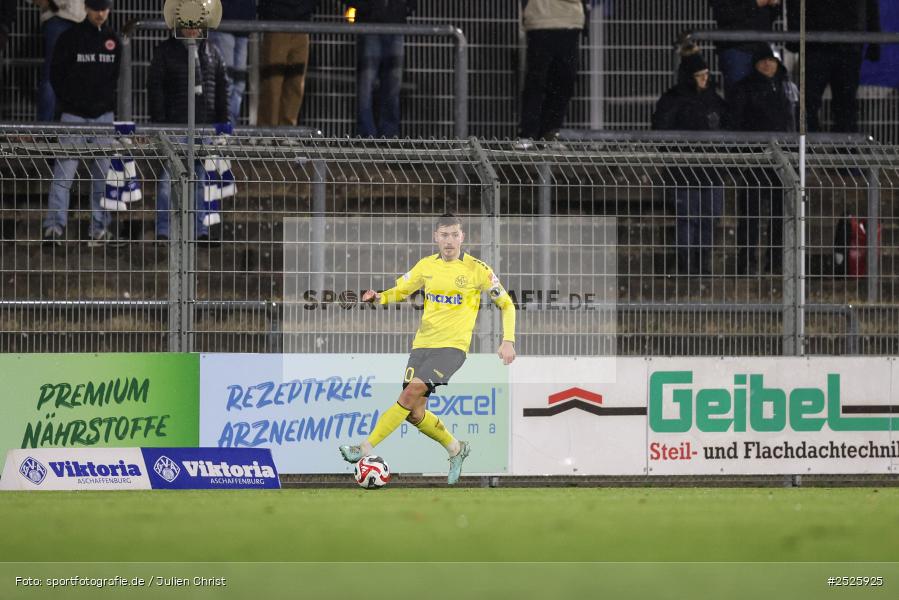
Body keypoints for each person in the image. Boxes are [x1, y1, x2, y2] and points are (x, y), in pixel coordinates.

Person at [339, 213, 517, 485]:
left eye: (454, 234)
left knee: (409, 392)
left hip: (452, 349)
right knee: (413, 412)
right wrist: (378, 298)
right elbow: (401, 290)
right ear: (436, 237)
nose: (449, 241)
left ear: (462, 237)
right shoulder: (425, 266)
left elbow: (507, 304)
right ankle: (456, 448)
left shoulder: (478, 269)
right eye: (444, 235)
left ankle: (363, 449)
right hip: (422, 345)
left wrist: (508, 340)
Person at [41, 0, 121, 247]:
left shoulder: (113, 41)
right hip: (75, 115)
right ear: (87, 8)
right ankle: (53, 229)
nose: (101, 14)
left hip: (102, 117)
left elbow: (114, 78)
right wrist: (72, 103)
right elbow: (56, 75)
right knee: (64, 173)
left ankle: (99, 229)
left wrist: (103, 105)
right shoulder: (70, 37)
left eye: (104, 9)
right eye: (97, 8)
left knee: (101, 175)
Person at [148, 26, 232, 241]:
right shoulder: (165, 51)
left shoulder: (212, 52)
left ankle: (199, 230)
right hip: (175, 126)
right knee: (168, 179)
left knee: (201, 180)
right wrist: (159, 123)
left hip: (204, 127)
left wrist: (223, 124)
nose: (193, 30)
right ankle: (164, 230)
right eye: (188, 25)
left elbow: (222, 89)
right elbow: (155, 87)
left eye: (197, 25)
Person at [652, 44, 727, 275]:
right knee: (687, 217)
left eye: (706, 75)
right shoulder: (673, 99)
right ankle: (686, 264)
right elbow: (661, 129)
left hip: (711, 170)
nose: (705, 79)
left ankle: (701, 263)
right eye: (699, 76)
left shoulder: (714, 99)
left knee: (709, 217)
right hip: (683, 170)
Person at [727, 43, 797, 275]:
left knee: (780, 216)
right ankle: (746, 264)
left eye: (772, 60)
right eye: (763, 61)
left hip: (782, 161)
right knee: (751, 216)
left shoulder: (788, 88)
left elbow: (796, 122)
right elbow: (736, 123)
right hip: (755, 161)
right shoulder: (744, 89)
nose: (768, 65)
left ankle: (775, 263)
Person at [786, 0, 880, 133]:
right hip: (839, 43)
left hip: (823, 42)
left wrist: (794, 36)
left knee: (813, 103)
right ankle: (841, 148)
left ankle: (810, 147)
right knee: (841, 105)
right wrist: (874, 40)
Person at [515, 0, 588, 149]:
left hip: (566, 20)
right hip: (543, 19)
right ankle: (530, 134)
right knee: (539, 81)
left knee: (561, 83)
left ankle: (547, 133)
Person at [348, 0, 417, 138]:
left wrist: (405, 8)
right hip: (372, 25)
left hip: (394, 25)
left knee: (392, 85)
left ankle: (387, 134)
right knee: (367, 85)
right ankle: (368, 134)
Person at [257, 0, 320, 126]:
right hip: (277, 23)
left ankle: (287, 129)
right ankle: (267, 130)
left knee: (296, 83)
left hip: (301, 25)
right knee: (272, 83)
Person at [707, 0, 782, 99]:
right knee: (739, 98)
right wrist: (756, 4)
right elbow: (723, 13)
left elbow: (771, 16)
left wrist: (774, 5)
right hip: (737, 47)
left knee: (764, 99)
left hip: (761, 47)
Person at [32, 0, 85, 122]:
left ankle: (49, 129)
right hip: (62, 15)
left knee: (56, 77)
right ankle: (52, 128)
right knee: (54, 77)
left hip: (71, 16)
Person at [208, 0, 256, 124]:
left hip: (242, 24)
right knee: (225, 83)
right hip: (223, 23)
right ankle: (222, 129)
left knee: (238, 85)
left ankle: (228, 129)